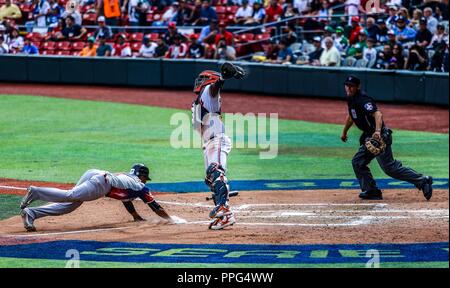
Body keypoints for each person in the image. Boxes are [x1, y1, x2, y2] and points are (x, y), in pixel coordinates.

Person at [340, 75, 433, 201]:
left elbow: (377, 114)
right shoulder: (351, 99)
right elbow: (351, 115)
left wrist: (377, 132)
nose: (349, 88)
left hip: (380, 137)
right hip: (369, 136)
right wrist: (345, 131)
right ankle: (371, 191)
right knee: (358, 162)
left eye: (352, 86)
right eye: (347, 86)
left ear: (358, 87)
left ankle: (423, 181)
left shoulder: (363, 99)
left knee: (390, 168)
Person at [20, 164, 173, 232]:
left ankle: (32, 213)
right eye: (146, 178)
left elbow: (126, 201)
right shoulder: (139, 186)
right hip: (102, 183)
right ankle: (35, 192)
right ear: (143, 176)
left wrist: (136, 217)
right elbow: (156, 207)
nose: (146, 181)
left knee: (71, 204)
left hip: (94, 173)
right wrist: (171, 219)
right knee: (70, 196)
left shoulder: (128, 180)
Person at [190, 64, 245, 229]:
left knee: (215, 171)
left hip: (217, 140)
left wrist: (222, 78)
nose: (200, 81)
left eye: (203, 79)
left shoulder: (208, 92)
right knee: (210, 179)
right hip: (208, 143)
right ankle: (225, 216)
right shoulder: (200, 99)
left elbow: (215, 88)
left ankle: (224, 210)